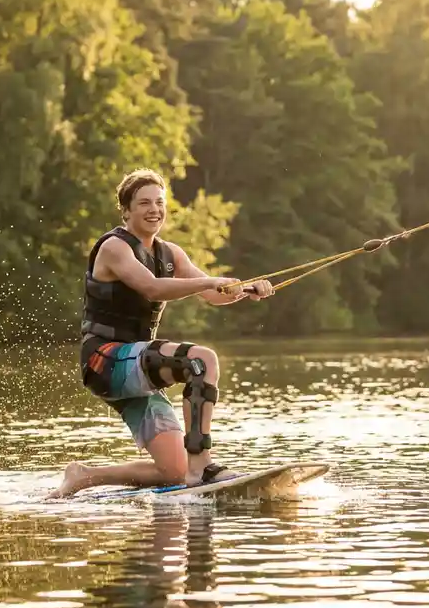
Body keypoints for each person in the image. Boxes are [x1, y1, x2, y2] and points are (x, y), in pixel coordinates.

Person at [49, 168, 273, 498]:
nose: (155, 209)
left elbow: (212, 295)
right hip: (106, 362)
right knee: (201, 361)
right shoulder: (114, 247)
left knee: (175, 472)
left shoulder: (170, 254)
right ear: (126, 210)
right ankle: (205, 467)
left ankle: (83, 476)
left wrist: (246, 289)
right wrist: (211, 281)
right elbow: (151, 288)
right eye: (144, 203)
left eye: (159, 202)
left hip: (138, 365)